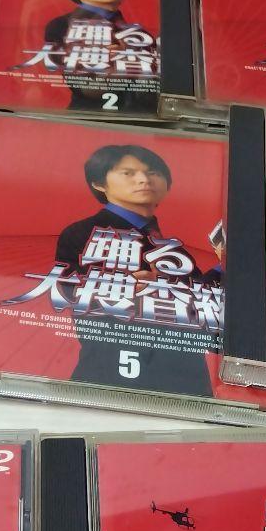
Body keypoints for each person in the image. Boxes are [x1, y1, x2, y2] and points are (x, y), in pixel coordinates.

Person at [53, 145, 215, 396]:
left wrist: (224, 266)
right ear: (99, 183)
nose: (144, 180)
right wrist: (130, 290)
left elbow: (206, 310)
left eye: (153, 172)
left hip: (185, 383)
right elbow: (74, 297)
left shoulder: (173, 248)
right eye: (128, 173)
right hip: (110, 380)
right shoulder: (83, 234)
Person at [40, 0, 158, 114]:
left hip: (141, 113)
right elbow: (83, 87)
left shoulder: (138, 32)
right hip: (90, 114)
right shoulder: (62, 25)